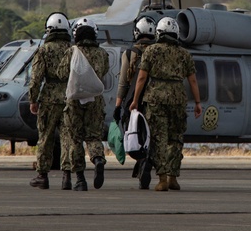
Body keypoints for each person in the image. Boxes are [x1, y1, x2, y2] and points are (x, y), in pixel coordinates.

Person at [129, 17, 202, 192]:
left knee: (158, 139)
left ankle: (162, 179)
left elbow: (141, 77)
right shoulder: (184, 54)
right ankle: (173, 178)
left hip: (155, 98)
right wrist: (198, 102)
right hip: (177, 99)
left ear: (158, 33)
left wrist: (135, 100)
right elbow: (192, 80)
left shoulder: (151, 51)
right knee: (175, 138)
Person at [57, 17, 110, 192]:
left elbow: (62, 73)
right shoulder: (102, 53)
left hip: (74, 100)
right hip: (95, 100)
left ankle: (80, 180)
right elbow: (104, 71)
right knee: (94, 136)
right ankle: (98, 159)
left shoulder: (72, 52)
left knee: (75, 139)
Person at [27, 12, 72, 190]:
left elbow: (36, 78)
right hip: (70, 97)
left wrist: (33, 99)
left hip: (49, 99)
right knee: (68, 137)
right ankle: (67, 176)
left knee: (45, 137)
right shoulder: (72, 49)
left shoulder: (43, 50)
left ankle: (42, 175)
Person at [114, 16, 157, 188]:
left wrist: (118, 105)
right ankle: (146, 163)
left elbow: (123, 82)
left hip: (134, 102)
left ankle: (141, 162)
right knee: (152, 137)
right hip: (154, 101)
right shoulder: (158, 52)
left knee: (135, 136)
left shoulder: (129, 53)